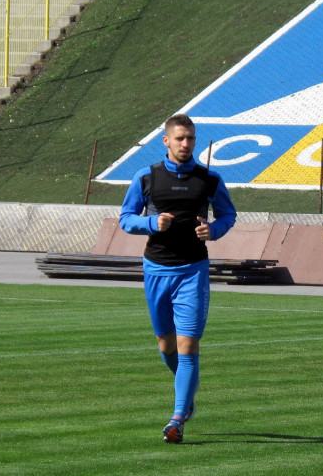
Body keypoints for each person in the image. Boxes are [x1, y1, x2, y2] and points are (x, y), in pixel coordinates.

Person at [119, 113, 237, 444]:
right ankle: (187, 394)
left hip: (192, 272)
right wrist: (150, 223)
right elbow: (126, 219)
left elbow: (229, 214)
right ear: (166, 141)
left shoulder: (209, 179)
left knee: (188, 347)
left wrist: (212, 230)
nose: (186, 144)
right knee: (166, 345)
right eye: (180, 138)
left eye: (191, 139)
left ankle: (177, 418)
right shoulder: (147, 178)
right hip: (156, 270)